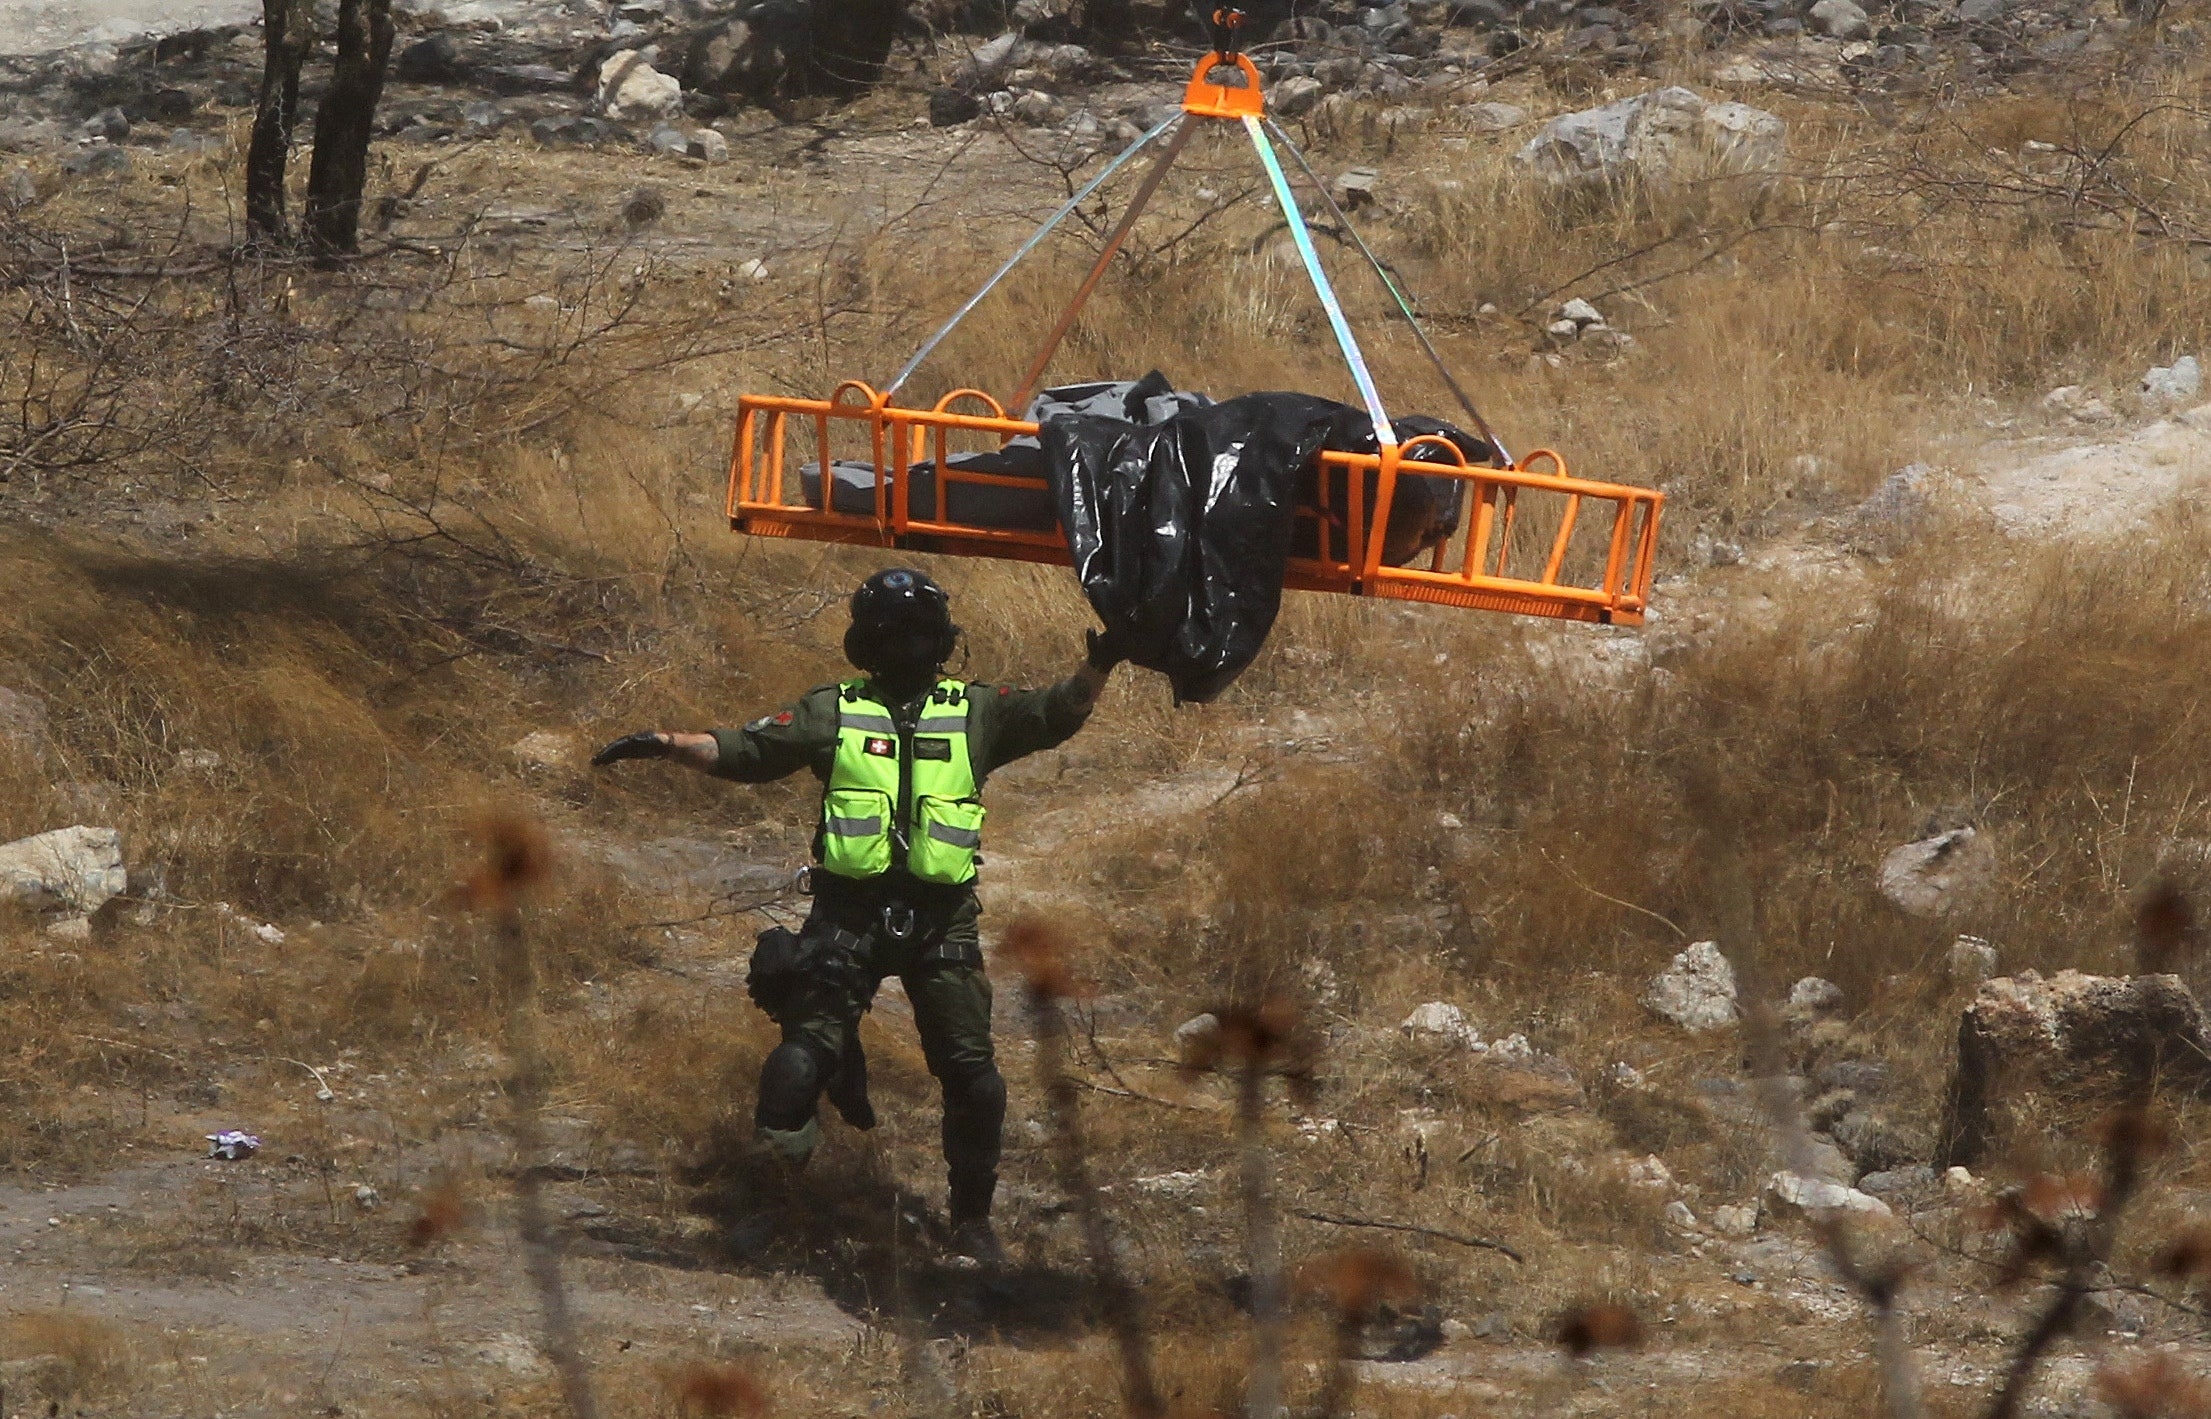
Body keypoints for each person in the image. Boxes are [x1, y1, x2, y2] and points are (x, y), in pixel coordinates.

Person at [591, 568, 1125, 1265]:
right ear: (866, 641)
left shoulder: (976, 710)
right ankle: (774, 1206)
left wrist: (1102, 660)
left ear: (941, 639)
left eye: (919, 630)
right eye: (892, 631)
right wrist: (664, 743)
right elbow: (747, 750)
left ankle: (970, 1220)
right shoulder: (832, 711)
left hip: (941, 920)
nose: (907, 642)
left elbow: (1060, 711)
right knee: (795, 1064)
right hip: (848, 915)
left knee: (974, 1077)